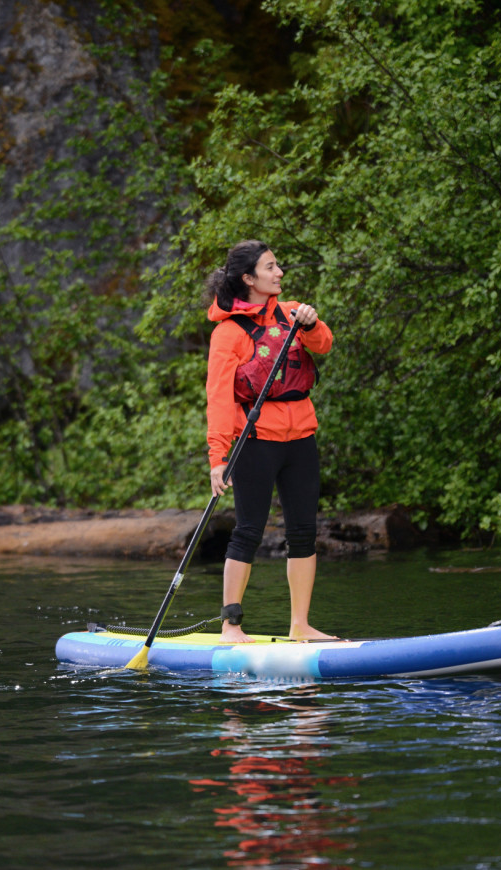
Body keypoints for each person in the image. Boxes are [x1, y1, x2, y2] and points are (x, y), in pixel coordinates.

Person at [204, 239, 336, 643]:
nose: (279, 273)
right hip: (256, 440)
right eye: (270, 267)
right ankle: (231, 626)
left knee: (304, 531)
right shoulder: (228, 333)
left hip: (301, 438)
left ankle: (300, 626)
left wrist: (311, 324)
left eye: (277, 265)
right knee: (248, 530)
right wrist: (218, 457)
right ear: (249, 278)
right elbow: (219, 398)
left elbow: (324, 344)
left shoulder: (293, 313)